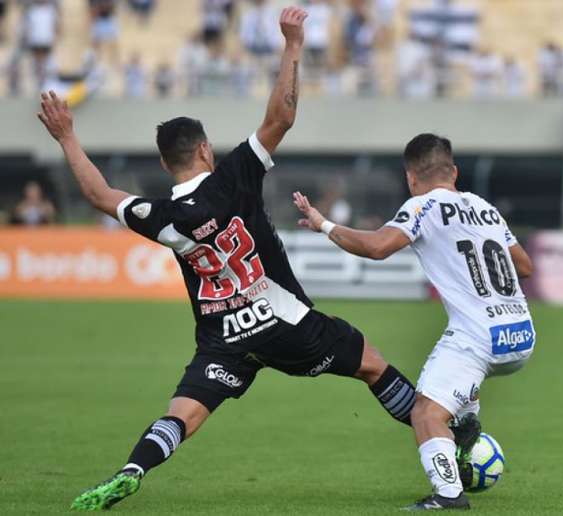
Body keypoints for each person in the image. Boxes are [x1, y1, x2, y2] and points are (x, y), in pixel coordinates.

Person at [37, 8, 420, 511]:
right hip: (284, 322)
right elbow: (281, 116)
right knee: (371, 364)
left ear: (164, 163)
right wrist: (292, 45)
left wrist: (67, 136)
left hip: (223, 339)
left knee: (184, 414)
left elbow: (100, 195)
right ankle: (446, 437)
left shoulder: (162, 214)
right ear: (203, 149)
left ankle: (133, 468)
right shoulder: (235, 173)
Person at [293, 133, 536, 510]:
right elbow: (524, 266)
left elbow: (376, 247)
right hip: (520, 335)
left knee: (425, 412)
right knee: (453, 377)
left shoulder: (422, 205)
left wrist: (324, 224)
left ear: (411, 178)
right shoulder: (484, 206)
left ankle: (448, 495)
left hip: (478, 338)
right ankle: (465, 417)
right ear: (453, 171)